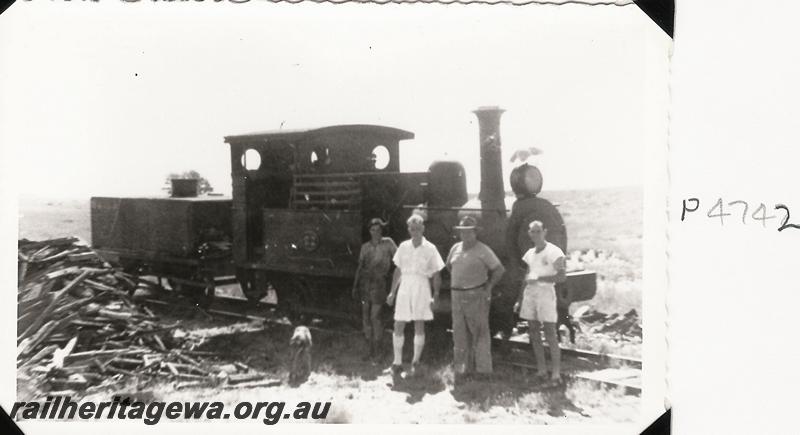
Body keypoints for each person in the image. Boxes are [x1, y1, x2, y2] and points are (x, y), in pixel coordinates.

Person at [446, 215, 505, 384]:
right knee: (459, 334)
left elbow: (499, 269)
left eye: (468, 232)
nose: (465, 235)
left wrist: (488, 288)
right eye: (462, 232)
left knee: (480, 333)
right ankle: (462, 370)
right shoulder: (455, 248)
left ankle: (483, 372)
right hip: (457, 296)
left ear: (475, 233)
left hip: (476, 295)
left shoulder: (483, 250)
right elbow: (450, 266)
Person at [386, 213, 444, 377]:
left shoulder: (430, 248)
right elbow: (397, 270)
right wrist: (392, 292)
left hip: (421, 286)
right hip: (405, 286)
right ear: (409, 230)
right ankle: (397, 362)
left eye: (418, 229)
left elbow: (436, 274)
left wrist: (436, 295)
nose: (415, 232)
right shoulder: (403, 246)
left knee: (419, 323)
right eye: (412, 229)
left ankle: (415, 361)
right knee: (399, 323)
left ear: (423, 229)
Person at [514, 220, 567, 384]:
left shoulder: (554, 252)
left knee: (550, 332)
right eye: (532, 232)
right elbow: (527, 277)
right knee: (534, 333)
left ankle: (556, 374)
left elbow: (561, 276)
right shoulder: (530, 254)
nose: (535, 235)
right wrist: (519, 299)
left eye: (538, 231)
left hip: (545, 293)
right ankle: (542, 370)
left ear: (545, 231)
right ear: (529, 234)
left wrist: (540, 278)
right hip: (531, 294)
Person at [351, 218, 397, 361]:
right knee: (365, 318)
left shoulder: (388, 243)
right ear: (369, 231)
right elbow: (360, 267)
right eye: (372, 230)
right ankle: (369, 349)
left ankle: (379, 351)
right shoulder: (365, 247)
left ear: (381, 230)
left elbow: (399, 261)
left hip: (380, 284)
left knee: (375, 317)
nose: (375, 232)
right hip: (365, 284)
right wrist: (355, 285)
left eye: (378, 230)